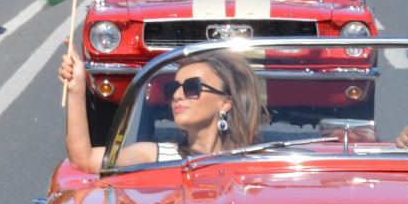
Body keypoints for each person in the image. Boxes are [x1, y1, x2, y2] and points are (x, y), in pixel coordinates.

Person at [58, 49, 263, 171]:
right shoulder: (155, 156)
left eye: (192, 87)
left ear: (225, 103)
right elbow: (84, 160)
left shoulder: (257, 161)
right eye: (173, 88)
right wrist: (76, 89)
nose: (177, 95)